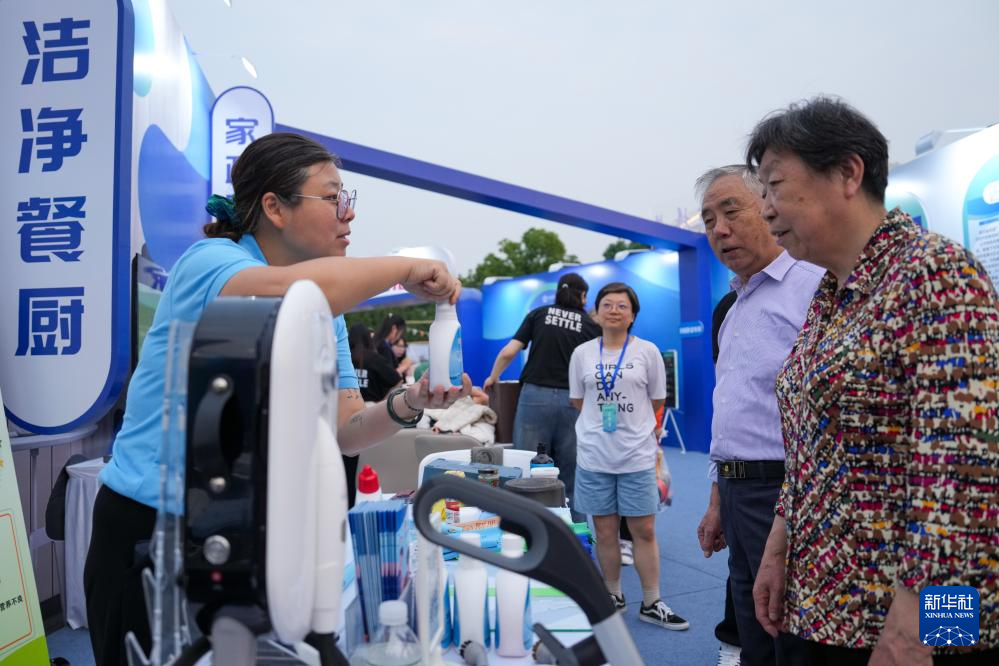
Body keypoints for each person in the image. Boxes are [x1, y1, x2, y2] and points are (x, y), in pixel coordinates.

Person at [84, 132, 471, 666]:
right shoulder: (211, 262)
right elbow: (285, 294)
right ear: (274, 207)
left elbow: (347, 429)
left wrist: (411, 401)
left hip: (243, 532)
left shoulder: (328, 314)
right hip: (153, 529)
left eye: (347, 198)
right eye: (333, 197)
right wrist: (403, 268)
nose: (348, 214)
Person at [747, 97, 999, 665]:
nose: (765, 209)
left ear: (847, 173)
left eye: (775, 185)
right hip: (826, 606)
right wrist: (779, 546)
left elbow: (965, 476)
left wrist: (924, 631)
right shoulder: (829, 296)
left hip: (905, 630)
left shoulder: (935, 274)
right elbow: (813, 444)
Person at [694, 165, 824, 666]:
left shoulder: (814, 287)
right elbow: (730, 410)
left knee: (792, 635)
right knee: (754, 634)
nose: (719, 230)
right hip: (737, 491)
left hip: (787, 490)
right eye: (709, 220)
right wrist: (717, 499)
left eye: (731, 212)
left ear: (770, 208)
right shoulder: (732, 309)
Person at [568, 282, 689, 631]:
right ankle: (612, 595)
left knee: (644, 530)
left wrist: (631, 427)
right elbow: (578, 400)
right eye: (607, 304)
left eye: (622, 305)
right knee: (605, 531)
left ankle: (651, 601)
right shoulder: (582, 354)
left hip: (636, 455)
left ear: (633, 314)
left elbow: (656, 399)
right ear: (596, 313)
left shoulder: (647, 352)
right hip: (594, 456)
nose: (614, 310)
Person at [483, 273, 600, 521]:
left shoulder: (539, 314)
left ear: (559, 292)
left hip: (535, 397)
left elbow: (509, 351)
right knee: (571, 475)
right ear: (582, 296)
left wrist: (493, 377)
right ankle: (577, 535)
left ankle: (524, 530)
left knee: (525, 469)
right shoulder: (590, 326)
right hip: (574, 401)